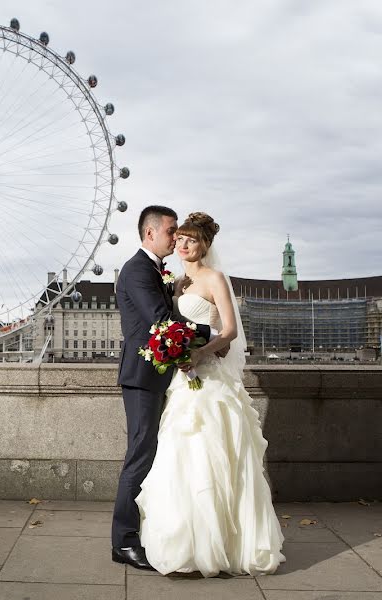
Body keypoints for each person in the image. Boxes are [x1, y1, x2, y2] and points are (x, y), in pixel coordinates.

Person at [135, 212, 286, 577]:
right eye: (180, 239)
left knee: (217, 457)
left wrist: (201, 352)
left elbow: (230, 330)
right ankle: (190, 542)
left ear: (204, 245)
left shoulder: (214, 278)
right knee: (184, 458)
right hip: (186, 381)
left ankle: (223, 545)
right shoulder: (176, 284)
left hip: (212, 380)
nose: (183, 245)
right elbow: (173, 326)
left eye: (190, 240)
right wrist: (176, 351)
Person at [111, 205, 214, 570]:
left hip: (152, 375)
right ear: (150, 233)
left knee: (147, 453)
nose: (177, 237)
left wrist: (173, 287)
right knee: (139, 455)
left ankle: (135, 535)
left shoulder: (151, 271)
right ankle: (123, 542)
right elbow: (160, 321)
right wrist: (210, 335)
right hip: (141, 376)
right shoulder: (138, 269)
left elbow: (156, 306)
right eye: (171, 231)